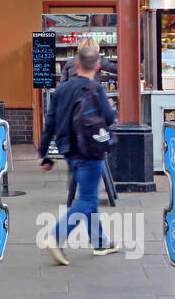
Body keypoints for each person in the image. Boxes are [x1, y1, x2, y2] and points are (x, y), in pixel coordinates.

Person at [37, 46, 119, 265]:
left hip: (70, 151)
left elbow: (50, 122)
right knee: (88, 198)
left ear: (77, 65)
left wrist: (44, 154)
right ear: (98, 66)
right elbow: (109, 118)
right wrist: (109, 106)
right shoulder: (95, 88)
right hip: (90, 151)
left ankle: (100, 241)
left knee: (87, 195)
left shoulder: (62, 90)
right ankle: (56, 236)